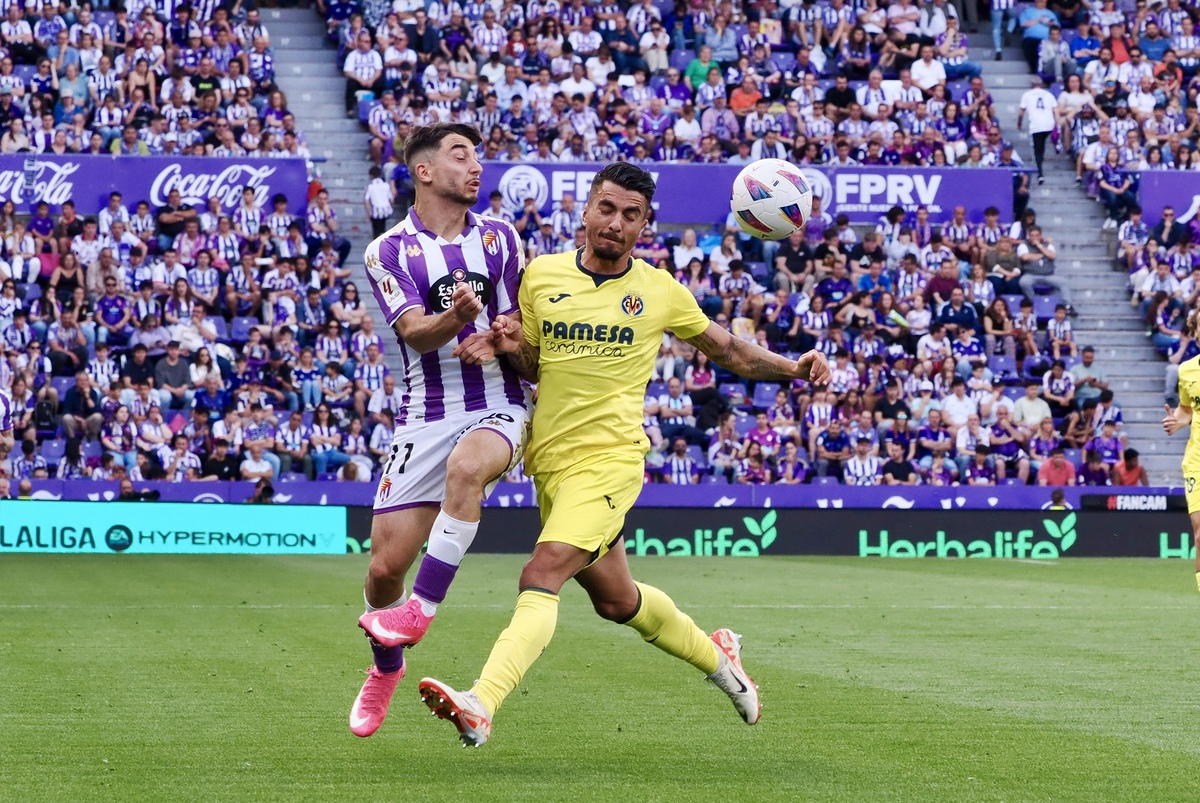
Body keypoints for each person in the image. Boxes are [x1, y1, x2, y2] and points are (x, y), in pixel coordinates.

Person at [416, 162, 831, 747]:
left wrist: (793, 368)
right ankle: (721, 660)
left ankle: (482, 703)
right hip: (552, 464)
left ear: (644, 225)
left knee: (541, 573)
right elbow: (536, 365)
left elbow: (728, 350)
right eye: (606, 209)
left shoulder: (659, 290)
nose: (615, 223)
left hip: (611, 462)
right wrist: (511, 348)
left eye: (630, 215)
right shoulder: (542, 276)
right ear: (586, 211)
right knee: (617, 601)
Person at [351, 123, 532, 739]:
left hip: (497, 404)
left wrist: (504, 337)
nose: (476, 166)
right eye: (461, 155)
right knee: (381, 574)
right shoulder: (390, 251)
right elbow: (413, 332)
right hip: (426, 412)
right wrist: (456, 318)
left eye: (478, 157)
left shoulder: (503, 239)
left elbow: (520, 332)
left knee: (468, 468)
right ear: (424, 171)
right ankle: (386, 668)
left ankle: (422, 611)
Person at [1163, 309, 1200, 591]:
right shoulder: (1187, 369)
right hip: (1197, 460)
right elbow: (1186, 410)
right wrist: (1177, 421)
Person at [1017, 75, 1058, 184]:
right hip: (1049, 123)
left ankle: (1040, 174)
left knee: (1038, 150)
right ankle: (1057, 143)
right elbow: (1056, 110)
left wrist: (1019, 124)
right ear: (1041, 85)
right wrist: (1057, 125)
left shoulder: (1027, 95)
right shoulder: (1049, 94)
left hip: (1036, 125)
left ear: (1031, 85)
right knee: (1044, 143)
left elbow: (1021, 113)